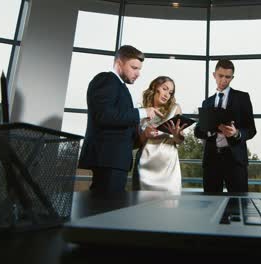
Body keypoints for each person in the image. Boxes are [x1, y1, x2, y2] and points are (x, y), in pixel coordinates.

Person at [78, 45, 163, 194]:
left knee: (106, 209)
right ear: (119, 63)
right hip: (108, 159)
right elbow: (104, 116)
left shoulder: (120, 87)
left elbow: (119, 122)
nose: (138, 73)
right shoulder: (106, 80)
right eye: (134, 68)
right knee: (104, 209)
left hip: (114, 160)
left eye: (139, 69)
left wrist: (142, 135)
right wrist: (142, 112)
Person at [194, 59, 256, 192]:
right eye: (220, 76)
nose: (223, 80)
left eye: (228, 77)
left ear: (232, 77)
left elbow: (251, 130)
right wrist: (211, 131)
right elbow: (198, 131)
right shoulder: (207, 102)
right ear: (214, 75)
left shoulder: (242, 98)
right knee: (210, 206)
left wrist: (237, 133)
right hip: (212, 160)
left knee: (239, 204)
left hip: (235, 161)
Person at [132, 76, 187, 193]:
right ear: (155, 87)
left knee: (169, 207)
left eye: (170, 92)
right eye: (164, 89)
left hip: (168, 168)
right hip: (144, 166)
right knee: (142, 207)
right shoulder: (142, 112)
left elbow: (180, 140)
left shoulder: (175, 109)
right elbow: (135, 144)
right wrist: (145, 134)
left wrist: (176, 135)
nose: (167, 94)